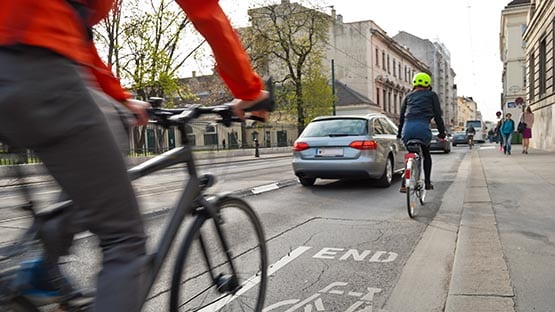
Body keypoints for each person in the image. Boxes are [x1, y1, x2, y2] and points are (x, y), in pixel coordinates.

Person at [0, 1, 270, 311]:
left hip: (23, 62)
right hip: (37, 66)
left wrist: (121, 98)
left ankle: (45, 267)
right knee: (124, 242)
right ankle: (48, 265)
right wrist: (250, 91)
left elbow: (75, 33)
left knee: (112, 122)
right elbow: (205, 11)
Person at [398, 72, 447, 192]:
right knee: (426, 154)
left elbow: (401, 117)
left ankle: (405, 182)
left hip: (407, 129)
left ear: (414, 83)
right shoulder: (432, 95)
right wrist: (442, 133)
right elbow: (438, 116)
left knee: (410, 153)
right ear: (428, 84)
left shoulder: (408, 96)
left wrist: (399, 134)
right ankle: (428, 182)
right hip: (422, 128)